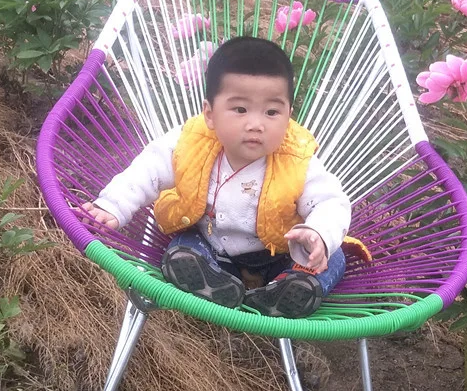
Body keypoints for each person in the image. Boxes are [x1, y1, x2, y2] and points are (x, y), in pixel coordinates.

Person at [82, 36, 350, 318]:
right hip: (211, 249)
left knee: (333, 257)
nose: (256, 124)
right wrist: (113, 206)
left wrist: (317, 233)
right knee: (183, 248)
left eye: (272, 112)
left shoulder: (296, 159)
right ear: (210, 114)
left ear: (289, 117)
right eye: (240, 110)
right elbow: (148, 171)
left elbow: (331, 202)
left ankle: (286, 290)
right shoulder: (190, 143)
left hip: (280, 254)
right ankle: (213, 283)